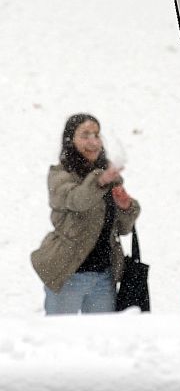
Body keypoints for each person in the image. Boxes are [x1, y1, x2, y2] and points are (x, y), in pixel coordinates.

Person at [31, 113, 140, 315]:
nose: (93, 141)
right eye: (85, 135)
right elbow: (76, 200)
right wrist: (100, 180)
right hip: (68, 275)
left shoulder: (108, 176)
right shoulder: (60, 175)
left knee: (101, 341)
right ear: (70, 140)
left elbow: (123, 229)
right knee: (60, 339)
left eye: (96, 135)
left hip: (103, 278)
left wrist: (125, 207)